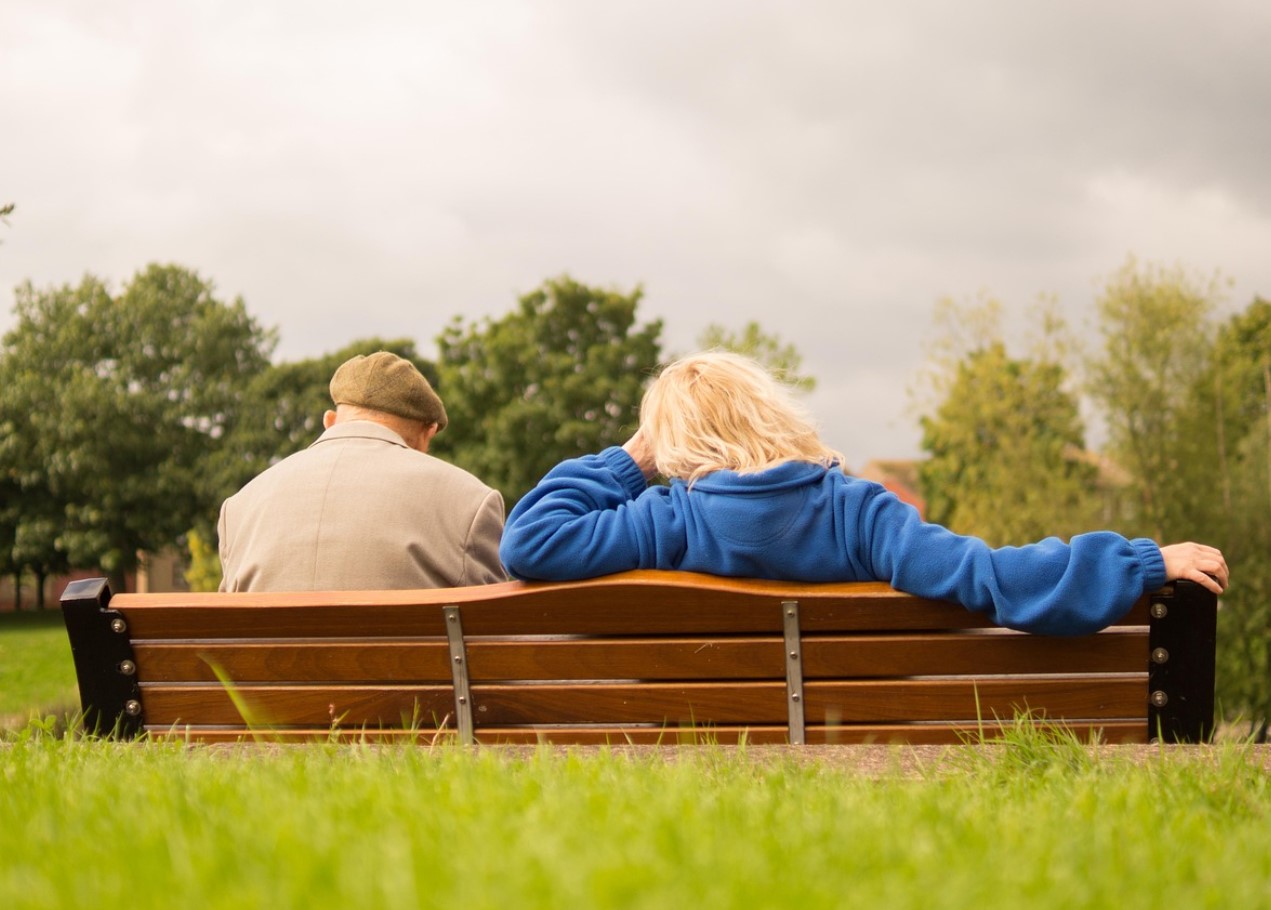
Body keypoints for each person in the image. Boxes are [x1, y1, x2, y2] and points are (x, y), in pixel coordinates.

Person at [499, 350, 1228, 635]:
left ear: (674, 444)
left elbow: (528, 541)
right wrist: (1136, 563)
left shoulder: (661, 519)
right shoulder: (858, 512)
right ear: (771, 413)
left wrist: (631, 460)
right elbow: (988, 577)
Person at [218, 351, 505, 592]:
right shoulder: (470, 501)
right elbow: (494, 634)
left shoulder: (239, 507)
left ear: (330, 420)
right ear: (426, 432)